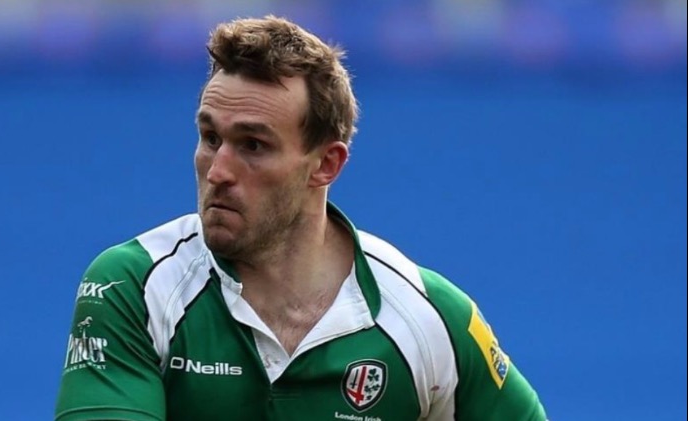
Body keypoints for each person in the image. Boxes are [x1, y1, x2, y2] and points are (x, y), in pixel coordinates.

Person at [55, 15, 547, 421]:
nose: (218, 170)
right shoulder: (134, 286)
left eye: (253, 145)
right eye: (210, 138)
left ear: (326, 164)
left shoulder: (428, 318)